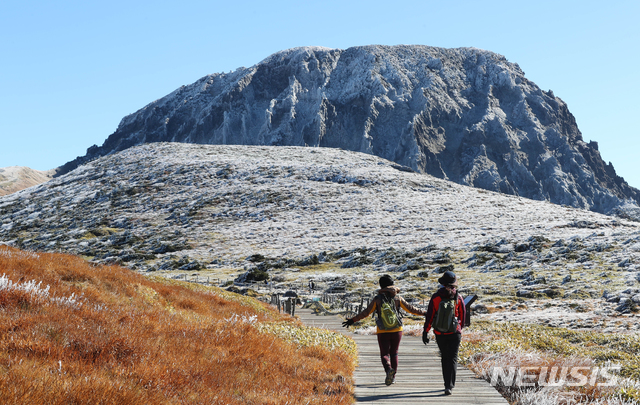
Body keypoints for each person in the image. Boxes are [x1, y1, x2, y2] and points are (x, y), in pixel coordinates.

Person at [342, 275, 426, 386]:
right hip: (397, 329)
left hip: (383, 330)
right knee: (394, 353)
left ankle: (388, 370)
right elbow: (411, 309)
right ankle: (393, 377)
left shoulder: (378, 299)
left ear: (381, 285)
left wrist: (352, 320)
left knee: (384, 354)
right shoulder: (398, 298)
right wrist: (425, 313)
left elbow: (366, 312)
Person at [422, 270, 466, 396]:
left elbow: (430, 316)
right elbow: (463, 316)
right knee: (452, 358)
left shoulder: (436, 297)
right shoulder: (458, 297)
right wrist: (458, 328)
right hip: (454, 332)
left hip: (440, 333)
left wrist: (426, 331)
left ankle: (445, 383)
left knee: (444, 357)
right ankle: (449, 385)